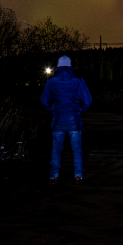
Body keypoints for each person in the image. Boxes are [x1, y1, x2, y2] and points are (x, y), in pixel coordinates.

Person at [40, 55, 93, 184]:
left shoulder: (51, 82)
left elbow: (44, 100)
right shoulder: (78, 81)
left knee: (57, 149)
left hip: (58, 119)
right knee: (77, 149)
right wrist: (79, 110)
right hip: (74, 120)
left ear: (58, 67)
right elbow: (88, 100)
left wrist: (52, 109)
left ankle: (54, 175)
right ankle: (78, 175)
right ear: (70, 66)